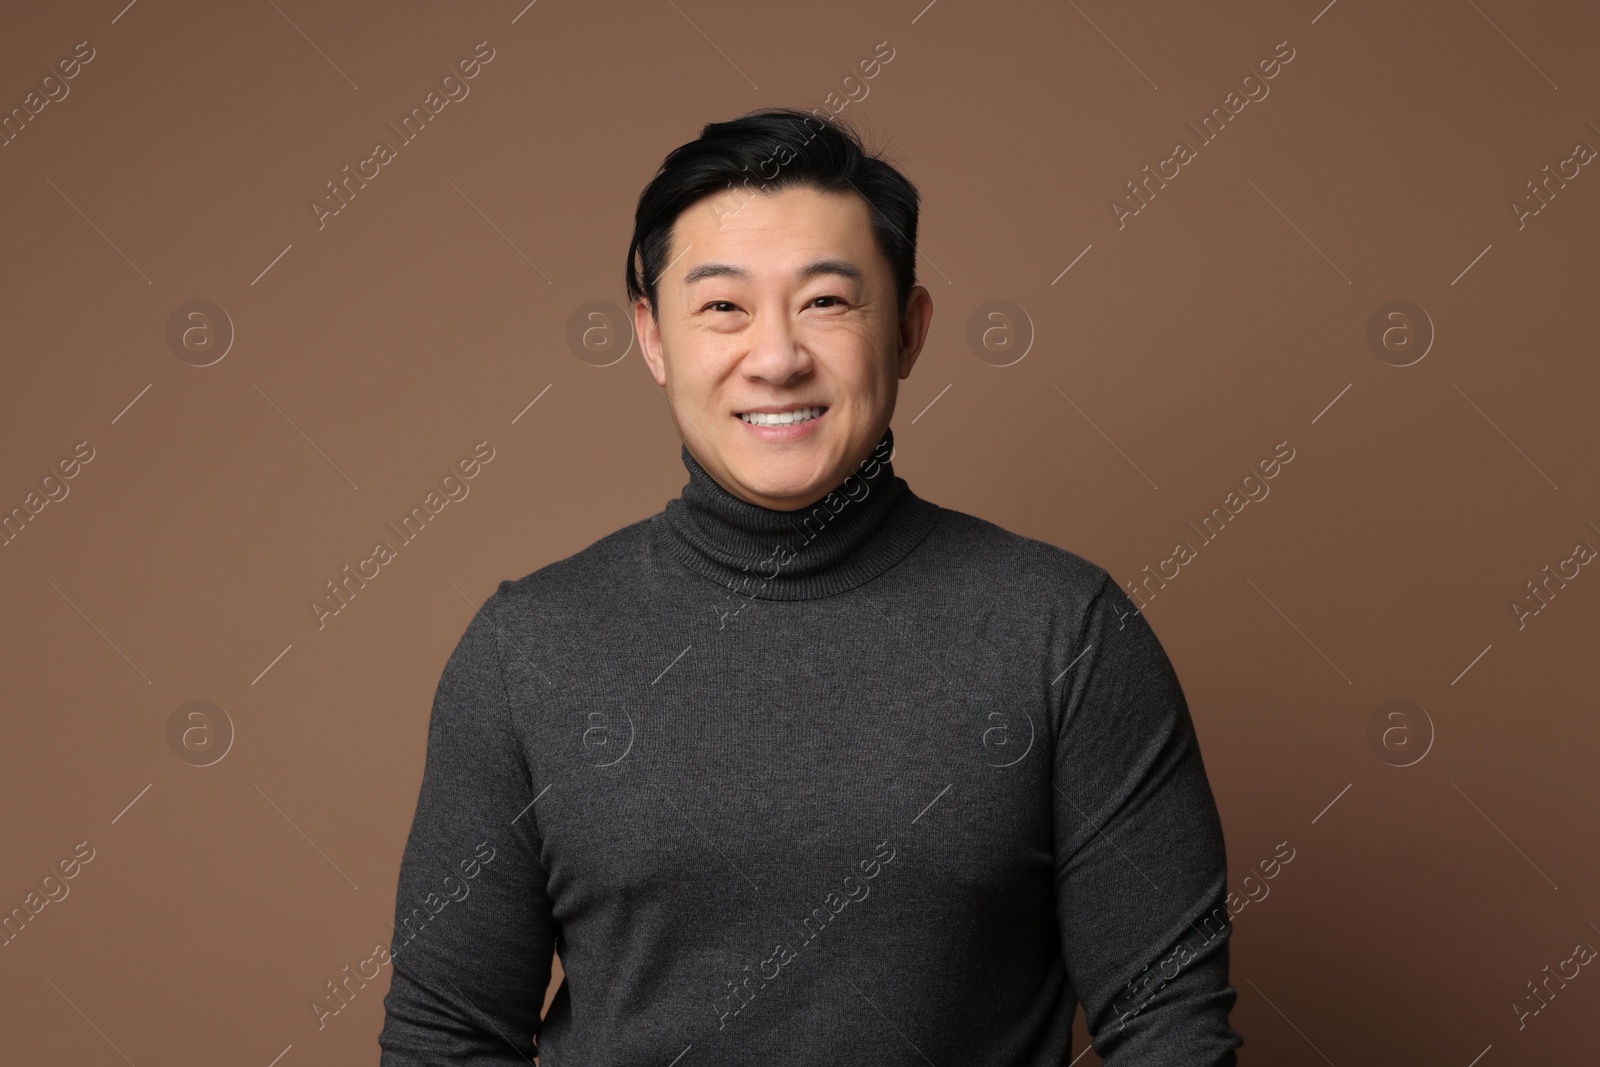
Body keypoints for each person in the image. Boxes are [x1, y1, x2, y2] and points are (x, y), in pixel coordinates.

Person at [378, 106, 1242, 1065]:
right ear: (652, 337)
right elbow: (445, 1038)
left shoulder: (1064, 633)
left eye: (827, 302)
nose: (779, 356)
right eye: (722, 307)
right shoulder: (528, 649)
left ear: (909, 332)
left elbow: (1170, 1028)